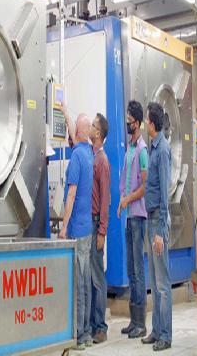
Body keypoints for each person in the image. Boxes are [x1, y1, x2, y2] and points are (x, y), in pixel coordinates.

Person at [58, 113, 94, 351]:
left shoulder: (76, 158)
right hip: (87, 229)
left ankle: (79, 335)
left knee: (78, 284)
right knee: (86, 280)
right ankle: (87, 332)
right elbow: (77, 134)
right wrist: (65, 112)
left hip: (76, 230)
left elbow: (70, 194)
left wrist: (63, 227)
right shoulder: (88, 153)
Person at [141, 102, 172, 352]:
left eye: (145, 120)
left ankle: (166, 336)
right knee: (154, 280)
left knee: (162, 284)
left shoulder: (162, 151)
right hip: (150, 219)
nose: (143, 124)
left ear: (152, 123)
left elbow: (164, 194)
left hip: (158, 222)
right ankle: (156, 330)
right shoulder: (152, 147)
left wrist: (160, 231)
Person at [118, 100, 149, 339]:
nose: (127, 123)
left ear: (137, 123)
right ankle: (133, 320)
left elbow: (145, 187)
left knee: (138, 270)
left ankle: (141, 323)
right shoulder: (130, 148)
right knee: (130, 269)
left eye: (129, 121)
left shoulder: (142, 150)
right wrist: (122, 201)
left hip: (138, 216)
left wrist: (128, 199)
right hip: (129, 216)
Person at [89, 113, 111, 344]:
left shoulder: (102, 161)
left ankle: (101, 328)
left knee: (97, 278)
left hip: (96, 224)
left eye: (93, 125)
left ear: (98, 133)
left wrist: (102, 231)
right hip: (90, 223)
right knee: (91, 276)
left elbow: (105, 200)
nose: (90, 127)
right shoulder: (91, 155)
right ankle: (92, 325)